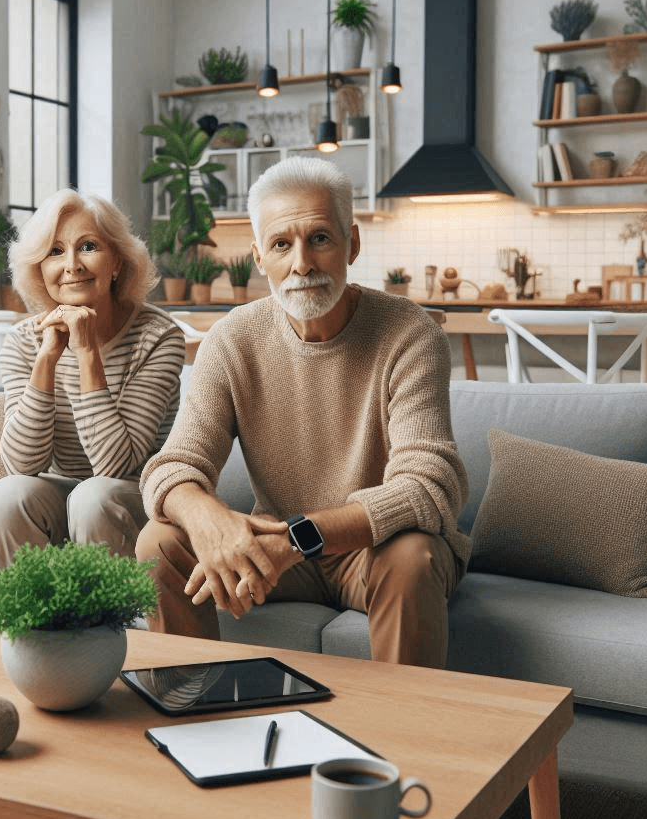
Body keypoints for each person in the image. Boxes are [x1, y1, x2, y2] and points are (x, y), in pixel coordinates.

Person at [136, 156, 469, 669]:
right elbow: (172, 466)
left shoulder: (410, 333)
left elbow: (428, 487)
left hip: (373, 550)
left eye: (319, 239)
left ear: (351, 244)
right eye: (282, 244)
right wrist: (209, 522)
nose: (302, 265)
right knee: (160, 541)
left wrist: (297, 539)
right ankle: (191, 708)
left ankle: (409, 739)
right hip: (279, 551)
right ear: (258, 257)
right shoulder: (231, 340)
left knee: (413, 557)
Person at [0, 189, 186, 569]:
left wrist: (86, 353)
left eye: (88, 246)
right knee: (8, 494)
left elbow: (115, 465)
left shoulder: (157, 337)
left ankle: (107, 626)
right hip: (63, 497)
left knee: (94, 497)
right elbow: (21, 465)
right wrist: (47, 358)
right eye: (55, 252)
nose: (71, 265)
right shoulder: (22, 341)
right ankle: (28, 627)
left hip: (130, 497)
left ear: (117, 263)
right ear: (39, 269)